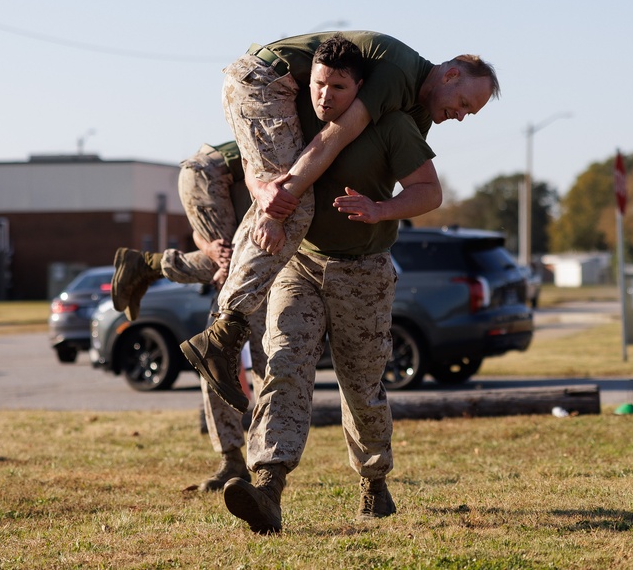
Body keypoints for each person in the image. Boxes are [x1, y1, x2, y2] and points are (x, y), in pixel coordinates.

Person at [222, 58, 498, 532]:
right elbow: (256, 168)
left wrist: (380, 208)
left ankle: (374, 479)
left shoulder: (393, 126)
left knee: (362, 386)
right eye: (322, 84)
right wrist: (265, 197)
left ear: (359, 86)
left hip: (363, 272)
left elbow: (429, 192)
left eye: (338, 86)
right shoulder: (296, 115)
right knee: (284, 365)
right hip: (302, 264)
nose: (327, 94)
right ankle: (267, 484)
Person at [181, 31, 500, 414]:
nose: (461, 115)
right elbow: (335, 137)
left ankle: (223, 326)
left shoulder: (416, 107)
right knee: (291, 206)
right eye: (463, 103)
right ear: (449, 75)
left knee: (286, 201)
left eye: (470, 113)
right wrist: (275, 206)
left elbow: (418, 179)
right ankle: (223, 332)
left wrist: (380, 210)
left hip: (269, 88)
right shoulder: (397, 74)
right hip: (263, 79)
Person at [110, 141, 264, 491]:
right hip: (209, 176)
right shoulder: (276, 137)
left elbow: (208, 236)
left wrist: (210, 245)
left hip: (216, 188)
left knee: (219, 351)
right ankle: (234, 460)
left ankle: (145, 265)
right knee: (219, 353)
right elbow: (210, 236)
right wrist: (211, 246)